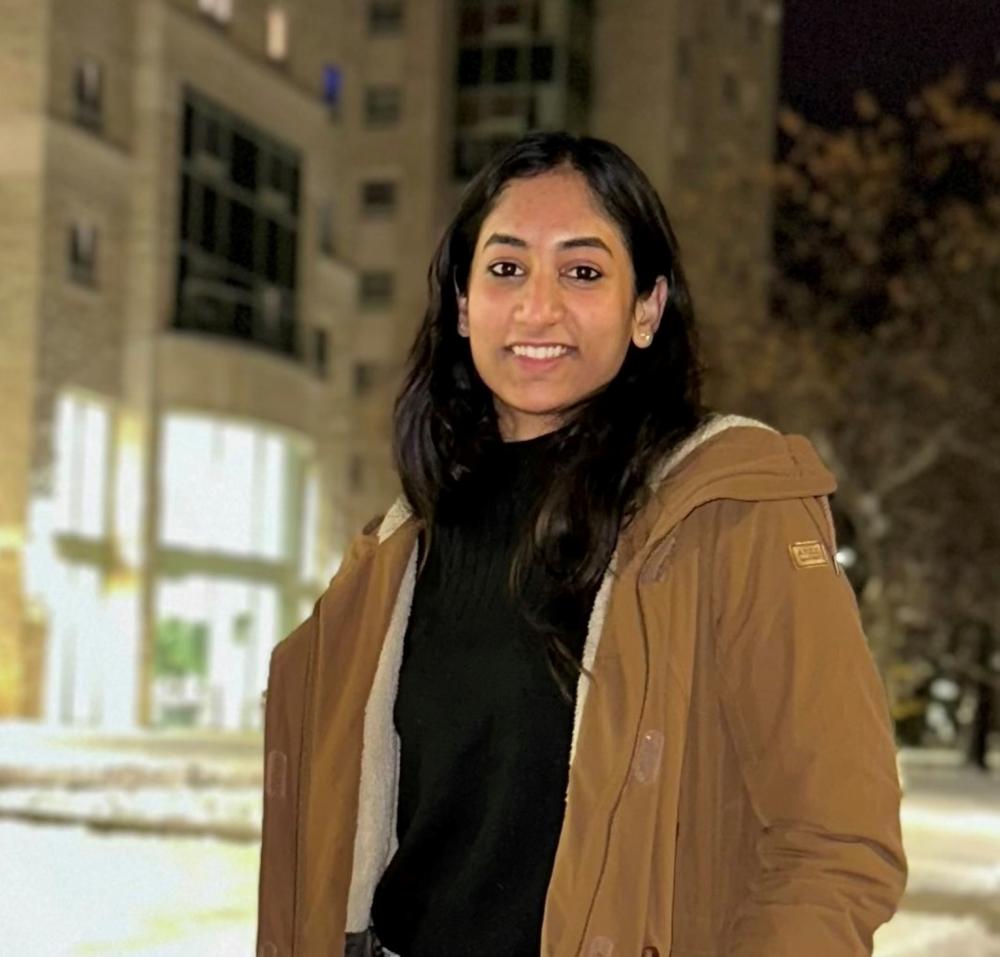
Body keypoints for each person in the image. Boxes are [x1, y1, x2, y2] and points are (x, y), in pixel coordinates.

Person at [256, 131, 906, 957]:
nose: (537, 307)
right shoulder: (399, 550)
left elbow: (837, 843)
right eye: (505, 267)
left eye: (583, 271)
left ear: (648, 309)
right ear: (461, 304)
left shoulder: (729, 514)